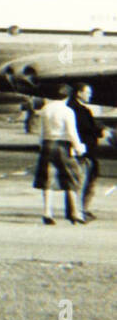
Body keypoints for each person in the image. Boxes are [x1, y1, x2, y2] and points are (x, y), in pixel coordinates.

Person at [33, 84, 86, 225]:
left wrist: (41, 145)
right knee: (72, 177)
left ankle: (47, 212)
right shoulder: (67, 111)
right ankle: (75, 213)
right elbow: (71, 132)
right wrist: (79, 148)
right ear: (67, 96)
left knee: (47, 179)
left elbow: (41, 131)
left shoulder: (45, 110)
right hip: (63, 146)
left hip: (47, 144)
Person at [68, 82, 107, 221]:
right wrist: (100, 131)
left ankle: (81, 209)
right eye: (87, 92)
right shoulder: (77, 110)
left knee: (86, 181)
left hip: (87, 150)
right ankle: (79, 210)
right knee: (82, 182)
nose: (90, 95)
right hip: (83, 151)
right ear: (79, 93)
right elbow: (84, 128)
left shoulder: (78, 109)